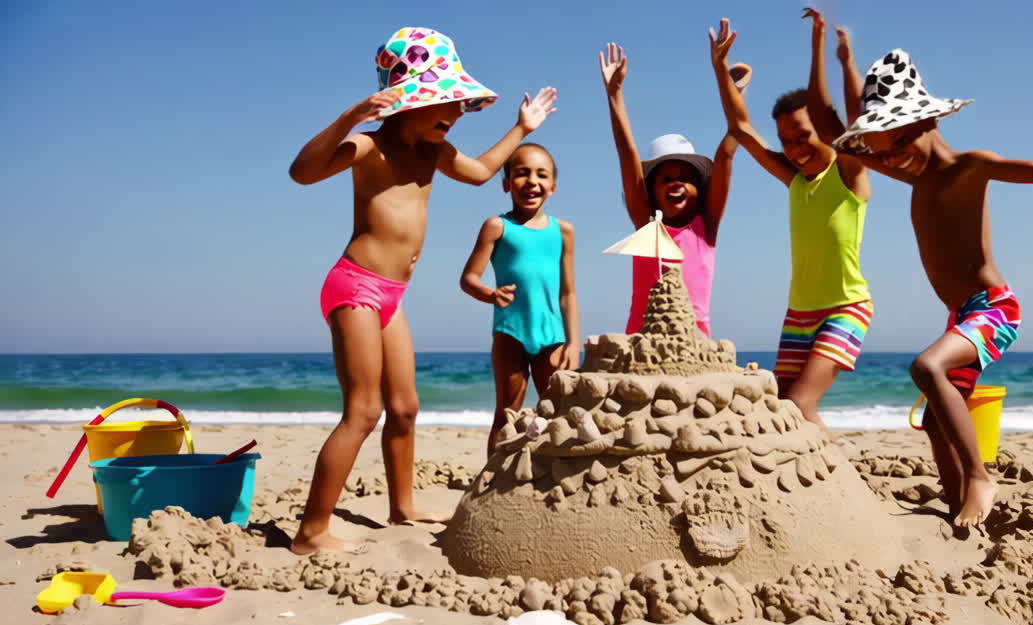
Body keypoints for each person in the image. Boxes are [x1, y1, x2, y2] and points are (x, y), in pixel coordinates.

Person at [287, 26, 557, 553]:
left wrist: (521, 129)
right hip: (355, 287)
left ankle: (401, 506)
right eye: (444, 104)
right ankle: (311, 530)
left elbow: (481, 173)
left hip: (391, 296)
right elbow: (302, 173)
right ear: (407, 102)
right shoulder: (369, 146)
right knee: (363, 411)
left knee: (406, 408)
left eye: (457, 105)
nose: (454, 114)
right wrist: (350, 117)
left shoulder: (436, 151)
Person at [827, 30, 1033, 527]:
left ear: (929, 121)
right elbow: (851, 132)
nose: (891, 159)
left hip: (994, 307)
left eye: (900, 144)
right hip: (962, 314)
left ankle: (980, 476)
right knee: (934, 419)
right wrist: (844, 62)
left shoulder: (970, 169)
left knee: (927, 368)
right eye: (883, 153)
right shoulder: (912, 174)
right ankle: (958, 514)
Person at [708, 16, 873, 430]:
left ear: (825, 130)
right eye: (785, 141)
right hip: (799, 314)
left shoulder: (848, 172)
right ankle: (819, 479)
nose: (794, 149)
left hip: (846, 307)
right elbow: (742, 130)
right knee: (781, 405)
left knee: (801, 403)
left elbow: (847, 120)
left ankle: (839, 481)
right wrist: (719, 70)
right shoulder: (796, 181)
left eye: (803, 136)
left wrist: (820, 45)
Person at [599, 43, 747, 336]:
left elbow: (727, 154)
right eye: (665, 179)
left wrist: (734, 94)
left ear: (700, 188)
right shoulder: (647, 227)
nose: (676, 183)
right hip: (643, 339)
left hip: (695, 343)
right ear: (651, 191)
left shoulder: (707, 226)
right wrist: (615, 95)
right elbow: (627, 155)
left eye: (684, 178)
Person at [460, 144, 580, 455]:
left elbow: (568, 292)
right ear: (506, 183)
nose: (532, 181)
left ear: (552, 186)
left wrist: (573, 341)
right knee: (506, 411)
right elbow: (468, 279)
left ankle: (551, 473)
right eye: (521, 173)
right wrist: (490, 294)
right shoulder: (497, 227)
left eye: (542, 175)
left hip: (553, 335)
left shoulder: (564, 231)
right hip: (510, 331)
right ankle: (491, 478)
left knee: (557, 410)